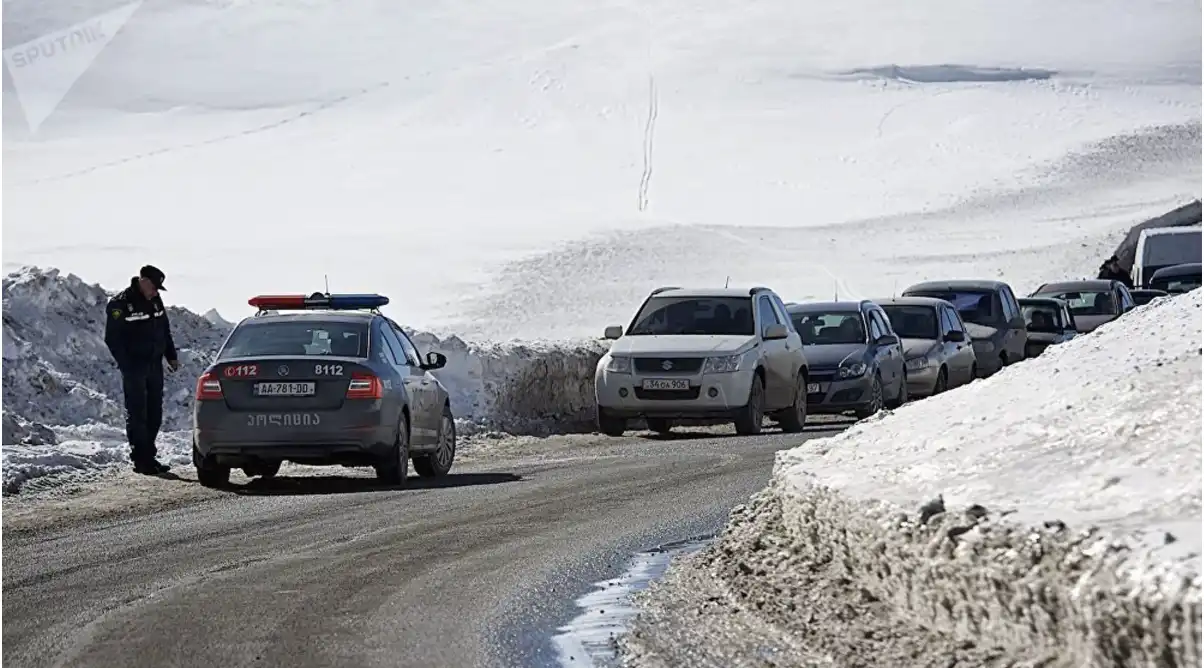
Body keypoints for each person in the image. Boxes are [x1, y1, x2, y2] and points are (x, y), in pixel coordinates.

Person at [104, 265, 182, 475]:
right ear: (143, 281)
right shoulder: (120, 304)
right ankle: (140, 458)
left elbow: (164, 330)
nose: (156, 291)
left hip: (154, 364)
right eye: (154, 286)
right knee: (138, 412)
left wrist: (171, 356)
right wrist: (127, 366)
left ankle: (150, 455)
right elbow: (112, 339)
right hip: (135, 366)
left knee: (154, 412)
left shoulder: (155, 301)